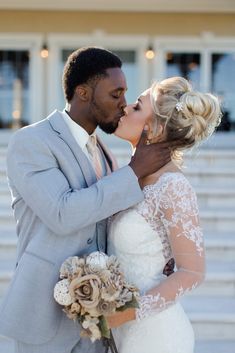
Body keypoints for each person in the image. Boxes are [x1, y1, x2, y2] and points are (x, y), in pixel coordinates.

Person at [0, 47, 174, 353]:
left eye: (125, 93)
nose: (124, 104)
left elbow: (108, 223)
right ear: (83, 93)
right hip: (45, 316)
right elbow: (62, 213)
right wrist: (134, 172)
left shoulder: (104, 152)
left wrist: (157, 255)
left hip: (96, 323)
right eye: (115, 94)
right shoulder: (31, 142)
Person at [107, 77, 222, 353]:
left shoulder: (173, 187)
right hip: (121, 332)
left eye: (137, 107)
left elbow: (192, 272)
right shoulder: (126, 176)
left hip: (157, 336)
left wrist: (124, 314)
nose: (125, 107)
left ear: (154, 128)